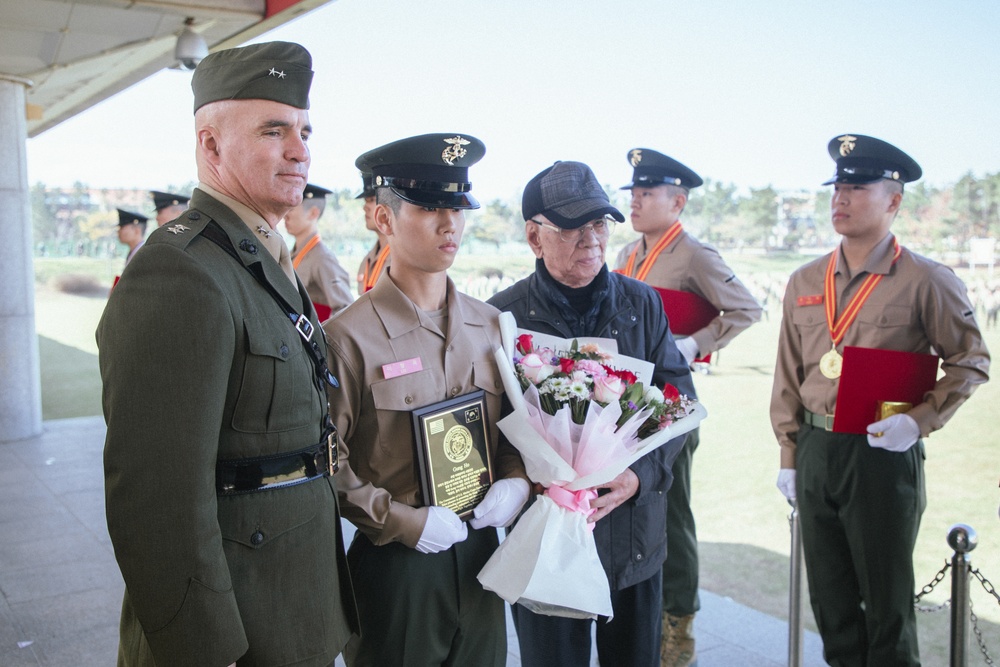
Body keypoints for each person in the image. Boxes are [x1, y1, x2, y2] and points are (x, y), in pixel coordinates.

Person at [98, 41, 357, 667]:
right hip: (234, 633)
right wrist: (207, 651)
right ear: (210, 146)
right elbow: (157, 504)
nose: (300, 151)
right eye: (275, 131)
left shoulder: (261, 257)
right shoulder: (181, 271)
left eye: (304, 131)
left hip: (290, 610)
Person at [771, 134, 990, 666]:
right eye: (837, 187)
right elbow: (787, 378)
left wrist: (919, 423)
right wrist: (790, 457)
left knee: (887, 612)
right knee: (832, 607)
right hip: (818, 452)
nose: (839, 198)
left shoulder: (925, 280)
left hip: (881, 456)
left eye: (857, 187)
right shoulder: (805, 279)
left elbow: (971, 360)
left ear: (893, 200)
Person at [324, 133, 529, 666]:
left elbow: (513, 430)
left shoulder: (489, 326)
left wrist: (515, 480)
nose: (450, 224)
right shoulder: (348, 338)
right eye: (430, 207)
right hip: (396, 567)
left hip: (481, 557)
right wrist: (402, 521)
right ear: (383, 219)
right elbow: (325, 460)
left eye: (458, 207)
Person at [488, 160, 697, 667]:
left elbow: (680, 402)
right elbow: (492, 429)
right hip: (547, 541)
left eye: (599, 223)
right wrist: (529, 480)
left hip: (634, 540)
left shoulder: (641, 304)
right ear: (534, 238)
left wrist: (638, 477)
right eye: (572, 227)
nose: (591, 239)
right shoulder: (502, 318)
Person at [614, 147, 762, 666]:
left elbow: (746, 308)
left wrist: (696, 344)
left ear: (677, 202)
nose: (634, 199)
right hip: (627, 404)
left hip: (671, 402)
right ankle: (642, 613)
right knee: (630, 509)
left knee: (672, 516)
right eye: (632, 191)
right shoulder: (627, 257)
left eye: (646, 192)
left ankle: (679, 628)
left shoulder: (695, 255)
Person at [285, 182, 353, 319]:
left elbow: (346, 309)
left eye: (291, 209)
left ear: (313, 213)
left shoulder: (322, 258)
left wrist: (321, 338)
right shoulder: (290, 254)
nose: (285, 215)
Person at [354, 170, 391, 295]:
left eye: (371, 200)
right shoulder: (367, 260)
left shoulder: (404, 259)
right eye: (365, 201)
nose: (365, 207)